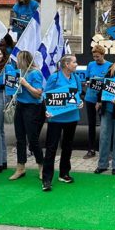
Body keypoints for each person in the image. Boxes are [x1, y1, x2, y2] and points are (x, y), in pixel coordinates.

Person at [42, 55, 84, 191]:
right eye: (74, 62)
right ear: (66, 64)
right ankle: (47, 179)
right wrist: (47, 110)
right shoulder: (54, 78)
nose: (76, 64)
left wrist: (80, 102)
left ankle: (64, 173)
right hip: (56, 118)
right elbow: (46, 95)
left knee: (67, 146)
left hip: (72, 117)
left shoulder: (76, 78)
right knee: (51, 147)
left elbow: (78, 94)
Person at [8, 51, 45, 181]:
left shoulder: (35, 73)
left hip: (32, 107)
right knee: (20, 139)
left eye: (18, 59)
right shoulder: (20, 72)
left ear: (24, 60)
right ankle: (20, 167)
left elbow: (38, 93)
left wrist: (25, 84)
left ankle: (42, 166)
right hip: (20, 105)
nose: (16, 62)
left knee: (33, 139)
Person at [82, 45, 111, 159]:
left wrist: (101, 100)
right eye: (94, 57)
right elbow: (87, 79)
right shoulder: (90, 64)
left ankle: (106, 151)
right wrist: (87, 83)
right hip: (90, 98)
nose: (96, 59)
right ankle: (91, 149)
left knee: (105, 126)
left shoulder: (109, 66)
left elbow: (109, 84)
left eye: (98, 57)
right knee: (91, 125)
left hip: (103, 100)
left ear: (103, 55)